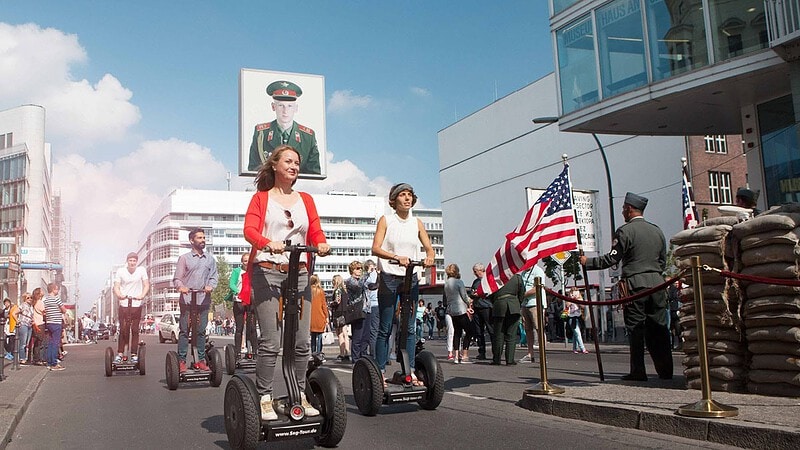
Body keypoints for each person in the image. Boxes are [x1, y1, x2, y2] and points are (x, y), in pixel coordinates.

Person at [243, 144, 331, 421]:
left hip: (300, 272)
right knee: (271, 340)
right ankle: (265, 396)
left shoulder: (305, 199)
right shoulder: (261, 198)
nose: (293, 166)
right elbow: (250, 230)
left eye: (297, 163)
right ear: (275, 166)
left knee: (302, 341)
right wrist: (268, 243)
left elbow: (314, 228)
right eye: (288, 162)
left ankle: (300, 394)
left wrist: (321, 242)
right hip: (267, 271)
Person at [580, 192, 672, 381]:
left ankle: (638, 370)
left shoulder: (625, 232)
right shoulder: (657, 231)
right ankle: (665, 370)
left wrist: (587, 262)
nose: (622, 212)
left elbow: (612, 258)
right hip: (657, 283)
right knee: (660, 327)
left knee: (636, 329)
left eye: (623, 209)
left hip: (635, 285)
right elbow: (662, 260)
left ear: (629, 209)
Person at [372, 183, 435, 386]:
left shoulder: (417, 222)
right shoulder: (386, 220)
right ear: (394, 200)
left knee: (409, 327)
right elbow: (375, 248)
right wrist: (395, 256)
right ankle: (380, 371)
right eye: (402, 195)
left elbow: (429, 248)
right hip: (390, 277)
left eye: (409, 195)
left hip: (411, 277)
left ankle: (411, 370)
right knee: (386, 325)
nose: (407, 198)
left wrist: (430, 257)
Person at [248, 80, 321, 175]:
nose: (285, 111)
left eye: (289, 106)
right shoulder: (261, 133)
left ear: (296, 108)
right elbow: (253, 170)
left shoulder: (307, 137)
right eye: (281, 105)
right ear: (273, 107)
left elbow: (314, 174)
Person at [173, 228, 218, 374]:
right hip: (187, 300)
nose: (203, 240)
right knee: (185, 331)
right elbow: (177, 278)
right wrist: (181, 287)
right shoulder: (184, 258)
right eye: (199, 238)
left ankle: (200, 361)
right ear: (192, 241)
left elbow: (213, 277)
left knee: (200, 331)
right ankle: (181, 361)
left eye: (204, 237)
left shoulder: (210, 259)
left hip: (203, 300)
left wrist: (211, 286)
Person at [113, 252, 150, 364]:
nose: (132, 263)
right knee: (124, 330)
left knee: (134, 330)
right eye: (130, 260)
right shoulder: (121, 271)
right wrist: (119, 295)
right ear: (127, 261)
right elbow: (116, 286)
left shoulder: (141, 270)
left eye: (134, 260)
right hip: (124, 304)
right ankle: (120, 353)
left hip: (136, 304)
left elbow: (146, 284)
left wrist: (142, 295)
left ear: (136, 262)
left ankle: (134, 354)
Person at [489, 273, 525, 366]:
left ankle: (497, 359)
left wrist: (496, 301)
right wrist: (517, 303)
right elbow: (522, 293)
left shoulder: (495, 277)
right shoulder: (517, 277)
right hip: (513, 305)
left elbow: (490, 293)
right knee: (511, 335)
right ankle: (510, 359)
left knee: (498, 334)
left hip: (499, 305)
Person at [231, 252, 257, 359]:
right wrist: (238, 291)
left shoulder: (254, 272)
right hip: (239, 301)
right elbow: (232, 284)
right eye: (245, 261)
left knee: (252, 328)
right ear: (242, 262)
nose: (247, 263)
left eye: (248, 260)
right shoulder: (237, 271)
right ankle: (237, 353)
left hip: (251, 301)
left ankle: (254, 352)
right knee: (239, 327)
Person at [444, 263, 473, 364]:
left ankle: (456, 356)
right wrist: (470, 302)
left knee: (457, 332)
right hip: (460, 309)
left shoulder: (446, 283)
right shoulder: (459, 282)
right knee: (470, 331)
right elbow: (464, 296)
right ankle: (464, 355)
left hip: (451, 310)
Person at [519, 263, 547, 363]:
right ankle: (530, 353)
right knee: (527, 329)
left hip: (536, 303)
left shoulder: (538, 271)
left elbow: (538, 287)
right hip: (525, 304)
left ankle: (542, 354)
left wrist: (523, 295)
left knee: (539, 328)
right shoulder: (523, 273)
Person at [345, 260, 370, 363]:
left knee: (366, 337)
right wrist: (367, 273)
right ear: (352, 270)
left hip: (366, 310)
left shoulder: (362, 280)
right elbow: (358, 287)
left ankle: (363, 359)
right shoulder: (350, 281)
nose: (360, 270)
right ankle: (355, 360)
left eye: (360, 268)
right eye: (357, 268)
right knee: (357, 337)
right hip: (357, 311)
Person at [468, 263, 494, 360]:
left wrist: (478, 293)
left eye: (475, 271)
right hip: (477, 308)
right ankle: (481, 352)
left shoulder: (488, 280)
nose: (474, 273)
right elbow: (471, 293)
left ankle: (495, 351)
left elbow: (489, 292)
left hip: (486, 307)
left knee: (491, 329)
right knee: (479, 331)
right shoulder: (475, 281)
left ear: (480, 270)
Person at [43, 283, 67, 371]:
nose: (58, 291)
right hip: (56, 322)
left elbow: (44, 311)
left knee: (50, 343)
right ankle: (54, 363)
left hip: (49, 322)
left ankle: (49, 362)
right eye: (57, 289)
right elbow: (64, 310)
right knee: (56, 343)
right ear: (53, 289)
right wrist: (61, 311)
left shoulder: (46, 300)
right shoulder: (56, 299)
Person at [330, 274, 350, 362]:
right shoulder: (345, 291)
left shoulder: (337, 290)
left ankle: (342, 353)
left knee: (340, 334)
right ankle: (347, 352)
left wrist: (330, 304)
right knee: (346, 334)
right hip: (345, 313)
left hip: (338, 313)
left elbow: (337, 301)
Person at [309, 274, 329, 358]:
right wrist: (326, 316)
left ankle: (313, 353)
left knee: (312, 336)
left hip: (311, 317)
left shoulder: (308, 291)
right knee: (319, 336)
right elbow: (323, 305)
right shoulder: (320, 291)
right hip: (320, 316)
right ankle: (319, 352)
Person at [364, 259, 379, 356]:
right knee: (378, 331)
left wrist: (371, 272)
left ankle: (374, 354)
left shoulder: (371, 276)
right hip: (378, 304)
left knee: (373, 331)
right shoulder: (377, 275)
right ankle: (381, 355)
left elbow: (370, 284)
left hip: (373, 305)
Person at [566, 288, 589, 354]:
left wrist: (577, 300)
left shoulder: (579, 299)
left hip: (578, 318)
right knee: (577, 333)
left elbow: (583, 307)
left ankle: (574, 348)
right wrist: (571, 299)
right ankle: (583, 348)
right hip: (571, 318)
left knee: (575, 334)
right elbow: (567, 305)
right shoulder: (569, 299)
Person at [15, 293, 34, 363]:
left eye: (31, 298)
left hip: (29, 325)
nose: (30, 299)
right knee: (22, 343)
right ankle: (22, 358)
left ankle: (25, 357)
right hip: (23, 324)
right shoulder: (22, 305)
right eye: (28, 298)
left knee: (27, 343)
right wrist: (17, 321)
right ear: (25, 299)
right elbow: (14, 313)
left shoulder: (31, 306)